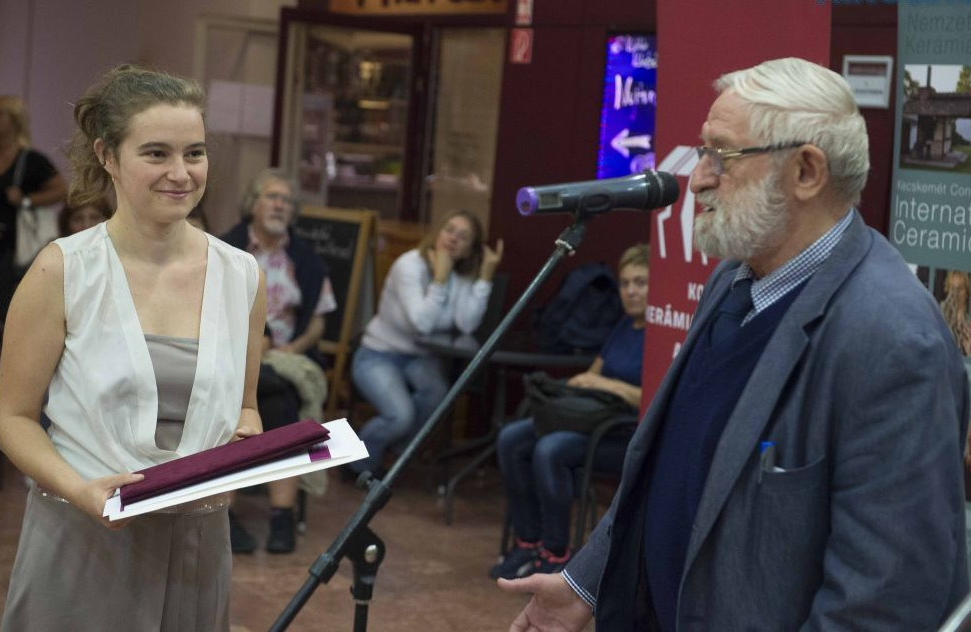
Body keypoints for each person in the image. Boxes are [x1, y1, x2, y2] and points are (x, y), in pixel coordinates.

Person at [500, 57, 970, 631]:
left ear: (806, 171)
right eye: (703, 152)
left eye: (722, 155)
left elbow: (883, 599)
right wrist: (586, 582)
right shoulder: (734, 280)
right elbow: (668, 466)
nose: (697, 177)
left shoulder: (894, 340)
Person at [0, 65, 266, 631]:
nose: (181, 173)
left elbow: (246, 405)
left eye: (194, 153)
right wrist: (81, 491)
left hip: (197, 544)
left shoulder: (241, 274)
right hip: (84, 537)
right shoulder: (63, 269)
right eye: (156, 153)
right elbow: (13, 417)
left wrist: (247, 435)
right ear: (108, 156)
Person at [491, 244, 648, 580]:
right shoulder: (623, 327)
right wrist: (581, 385)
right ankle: (527, 543)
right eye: (625, 283)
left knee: (550, 449)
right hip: (590, 418)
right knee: (511, 438)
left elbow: (651, 400)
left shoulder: (662, 334)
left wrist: (607, 385)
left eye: (640, 282)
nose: (630, 291)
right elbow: (590, 376)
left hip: (622, 433)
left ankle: (556, 552)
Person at [221, 168, 334, 553]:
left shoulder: (305, 258)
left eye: (286, 200)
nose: (279, 205)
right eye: (271, 197)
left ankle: (272, 515)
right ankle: (251, 513)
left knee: (282, 394)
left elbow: (318, 318)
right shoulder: (226, 248)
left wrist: (295, 348)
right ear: (252, 204)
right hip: (236, 356)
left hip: (288, 358)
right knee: (249, 395)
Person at [349, 209, 503, 477]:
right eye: (449, 230)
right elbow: (420, 323)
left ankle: (394, 456)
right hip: (378, 353)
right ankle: (356, 463)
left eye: (463, 237)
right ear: (437, 233)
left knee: (438, 400)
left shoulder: (460, 273)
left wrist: (484, 278)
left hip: (420, 357)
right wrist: (439, 281)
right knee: (400, 416)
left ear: (470, 250)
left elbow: (467, 324)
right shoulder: (409, 265)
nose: (453, 239)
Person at [0, 95, 67, 321]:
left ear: (14, 120)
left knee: (4, 307)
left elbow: (61, 190)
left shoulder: (31, 160)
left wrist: (27, 200)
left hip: (13, 245)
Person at [940, 270, 971, 356]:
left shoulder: (968, 323)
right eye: (952, 288)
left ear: (966, 292)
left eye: (960, 289)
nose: (955, 293)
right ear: (948, 290)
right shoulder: (939, 314)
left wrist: (969, 351)